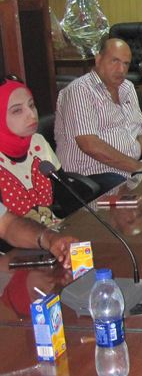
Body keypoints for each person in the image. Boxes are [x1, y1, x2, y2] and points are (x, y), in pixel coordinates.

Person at [55, 38, 142, 193]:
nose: (121, 69)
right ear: (98, 59)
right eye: (115, 61)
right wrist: (138, 167)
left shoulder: (127, 88)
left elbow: (131, 135)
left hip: (126, 171)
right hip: (91, 177)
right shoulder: (79, 90)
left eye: (126, 64)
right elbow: (89, 145)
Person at [0, 75, 77, 268]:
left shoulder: (38, 143)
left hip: (47, 239)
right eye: (17, 110)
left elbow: (7, 225)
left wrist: (50, 238)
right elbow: (6, 230)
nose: (31, 115)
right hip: (14, 254)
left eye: (31, 105)